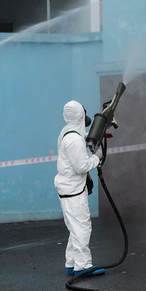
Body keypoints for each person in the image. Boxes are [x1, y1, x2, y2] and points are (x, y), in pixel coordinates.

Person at [56, 100, 106, 276]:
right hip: (73, 190)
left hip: (68, 188)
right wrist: (96, 157)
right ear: (80, 115)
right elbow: (81, 166)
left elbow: (81, 137)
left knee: (74, 228)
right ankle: (83, 266)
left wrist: (98, 133)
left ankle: (71, 263)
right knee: (82, 228)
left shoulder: (67, 132)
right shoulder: (74, 140)